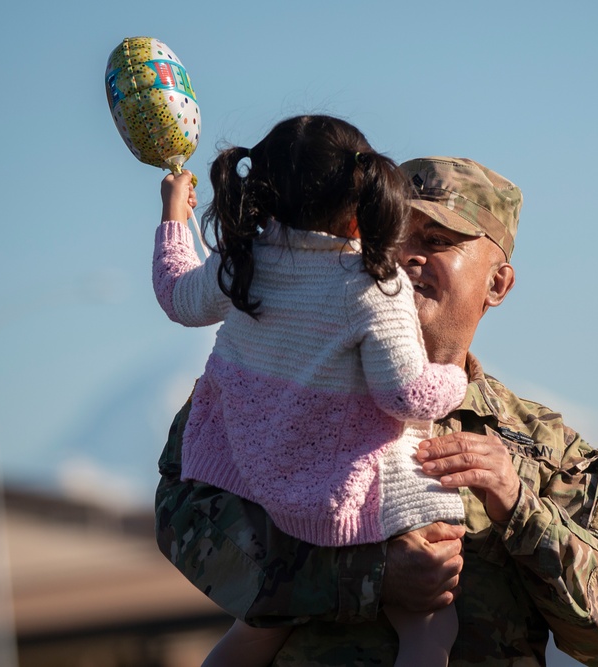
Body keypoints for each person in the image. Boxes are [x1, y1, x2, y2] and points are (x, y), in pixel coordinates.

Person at [154, 155, 598, 666]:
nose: (407, 256)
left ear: (497, 284)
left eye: (438, 241)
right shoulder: (277, 382)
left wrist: (518, 505)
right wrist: (369, 578)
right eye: (392, 234)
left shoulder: (542, 446)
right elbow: (183, 517)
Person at [152, 116, 471, 667]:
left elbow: (177, 295)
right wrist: (456, 377)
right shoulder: (374, 284)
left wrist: (173, 213)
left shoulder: (243, 260)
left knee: (257, 629)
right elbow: (407, 396)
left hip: (257, 481)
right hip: (345, 494)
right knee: (430, 623)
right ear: (363, 200)